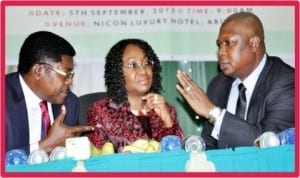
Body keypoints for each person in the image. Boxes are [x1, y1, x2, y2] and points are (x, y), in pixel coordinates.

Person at [176, 12, 294, 149]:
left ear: (254, 43)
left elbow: (269, 142)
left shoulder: (287, 81)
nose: (221, 52)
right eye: (219, 45)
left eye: (228, 43)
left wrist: (213, 113)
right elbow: (210, 146)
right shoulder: (217, 85)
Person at [87, 38, 184, 152]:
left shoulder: (167, 109)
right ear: (117, 72)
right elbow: (97, 160)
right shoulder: (101, 111)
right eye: (133, 65)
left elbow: (178, 157)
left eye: (147, 63)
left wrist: (168, 121)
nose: (143, 71)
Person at [6, 31, 94, 155]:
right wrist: (45, 146)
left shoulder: (69, 103)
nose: (70, 81)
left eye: (71, 75)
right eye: (66, 74)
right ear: (39, 71)